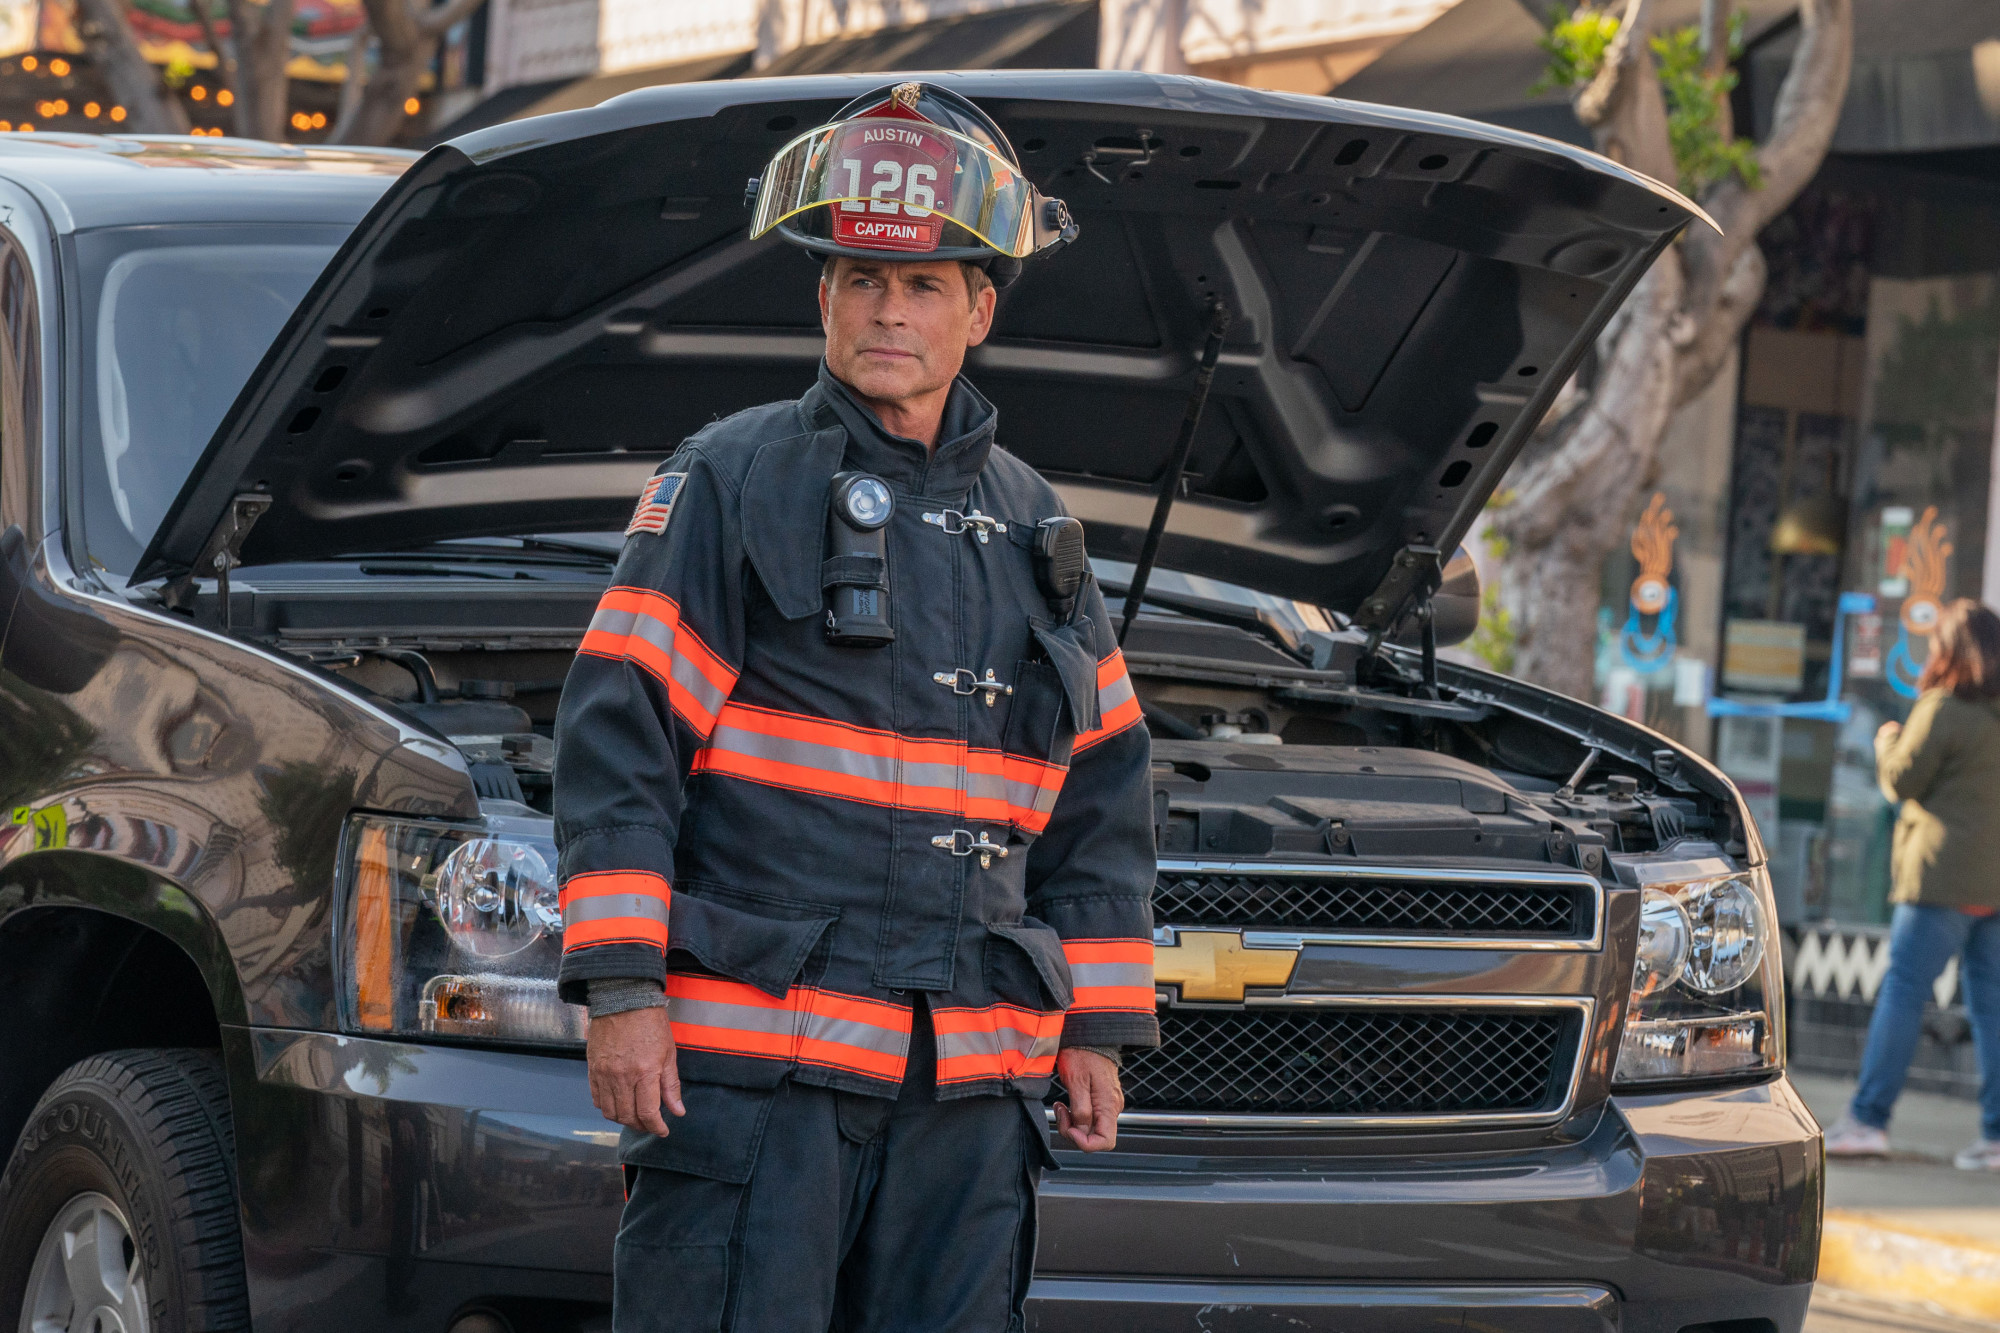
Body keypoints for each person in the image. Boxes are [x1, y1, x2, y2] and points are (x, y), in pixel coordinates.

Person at [550, 82, 1158, 1332]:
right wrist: (622, 994)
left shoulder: (1040, 526)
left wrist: (1093, 1027)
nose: (891, 309)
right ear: (820, 295)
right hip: (755, 1086)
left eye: (926, 283)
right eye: (861, 281)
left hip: (969, 1094)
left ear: (978, 309)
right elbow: (620, 748)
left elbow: (1100, 793)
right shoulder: (728, 478)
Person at [1825, 598, 2000, 1169]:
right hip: (1992, 885)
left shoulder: (1942, 708)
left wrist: (1884, 742)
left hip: (1939, 880)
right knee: (1992, 1009)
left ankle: (1868, 1120)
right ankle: (1996, 1137)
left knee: (1903, 990)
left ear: (1949, 650)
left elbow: (1901, 781)